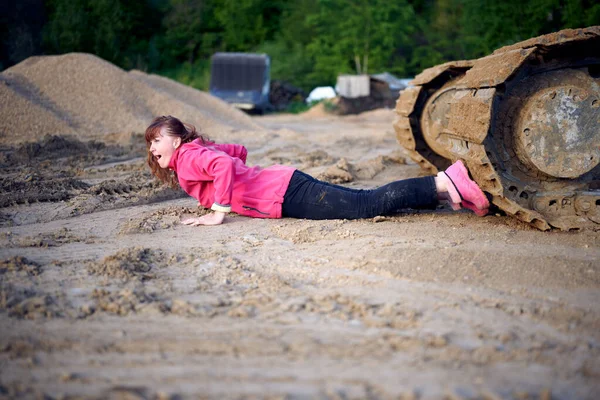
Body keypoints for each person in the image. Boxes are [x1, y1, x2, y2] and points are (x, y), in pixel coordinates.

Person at [145, 115, 489, 226]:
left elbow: (223, 164)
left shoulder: (188, 158)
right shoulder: (195, 151)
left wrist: (219, 210)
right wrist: (244, 184)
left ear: (176, 140)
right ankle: (446, 191)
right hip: (284, 183)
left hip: (284, 192)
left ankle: (445, 180)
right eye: (150, 143)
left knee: (364, 206)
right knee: (362, 201)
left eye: (157, 139)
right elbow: (236, 153)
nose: (152, 148)